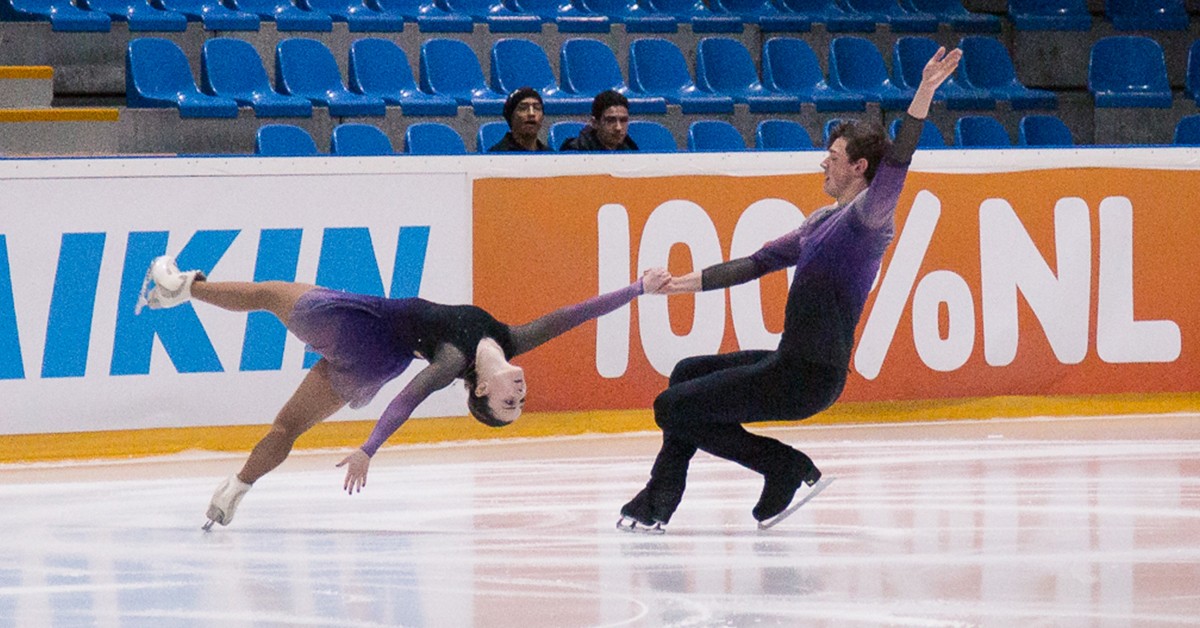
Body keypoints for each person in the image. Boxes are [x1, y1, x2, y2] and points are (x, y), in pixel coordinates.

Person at [617, 46, 964, 534]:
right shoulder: (821, 221)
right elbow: (757, 262)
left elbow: (900, 158)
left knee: (672, 407)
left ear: (860, 168)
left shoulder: (869, 220)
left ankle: (779, 466)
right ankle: (665, 498)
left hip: (809, 376)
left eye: (834, 156)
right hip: (791, 363)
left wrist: (924, 91)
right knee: (686, 373)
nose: (824, 162)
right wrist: (676, 285)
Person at [134, 255, 668, 528]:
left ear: (481, 388)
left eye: (508, 402)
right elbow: (574, 316)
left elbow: (405, 401)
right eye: (521, 401)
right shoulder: (511, 339)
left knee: (272, 294)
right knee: (288, 425)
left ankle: (185, 287)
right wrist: (637, 289)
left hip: (361, 326)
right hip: (374, 359)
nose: (520, 393)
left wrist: (369, 448)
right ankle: (234, 491)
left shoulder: (452, 360)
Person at [559, 90, 638, 151]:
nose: (618, 127)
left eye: (623, 120)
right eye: (610, 120)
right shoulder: (575, 152)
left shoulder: (631, 149)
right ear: (595, 123)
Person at [487, 87, 549, 152]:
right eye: (523, 108)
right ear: (511, 116)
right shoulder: (497, 155)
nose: (531, 113)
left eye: (537, 108)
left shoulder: (551, 155)